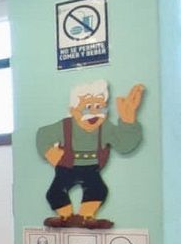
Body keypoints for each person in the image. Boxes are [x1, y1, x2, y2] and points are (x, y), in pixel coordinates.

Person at [36, 79, 145, 229]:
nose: (94, 113)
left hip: (91, 167)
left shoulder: (105, 128)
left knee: (98, 189)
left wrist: (128, 121)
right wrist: (50, 153)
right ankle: (65, 216)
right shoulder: (65, 126)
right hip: (66, 166)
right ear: (74, 110)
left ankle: (86, 216)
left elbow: (124, 145)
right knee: (56, 191)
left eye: (100, 107)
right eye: (88, 107)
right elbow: (43, 134)